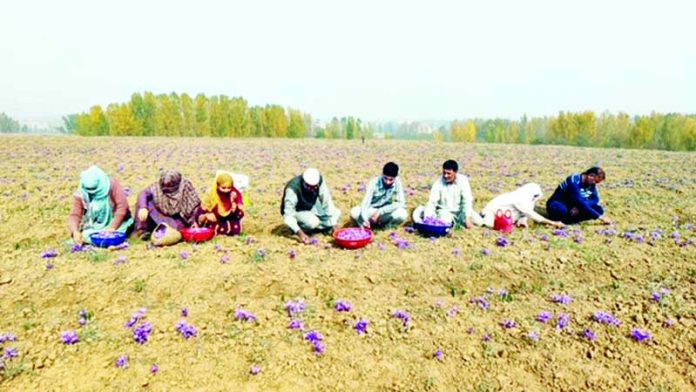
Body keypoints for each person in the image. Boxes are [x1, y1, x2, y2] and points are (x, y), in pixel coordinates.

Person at [67, 165, 134, 245]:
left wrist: (112, 228)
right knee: (86, 235)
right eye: (89, 190)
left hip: (117, 223)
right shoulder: (82, 192)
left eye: (94, 189)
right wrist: (75, 231)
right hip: (95, 225)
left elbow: (122, 207)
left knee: (116, 236)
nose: (92, 192)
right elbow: (75, 215)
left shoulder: (112, 185)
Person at [281, 168, 341, 244]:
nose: (313, 189)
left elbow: (327, 202)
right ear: (303, 182)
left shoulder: (319, 180)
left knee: (337, 213)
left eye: (315, 187)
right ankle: (295, 228)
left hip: (310, 205)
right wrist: (300, 233)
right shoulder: (293, 188)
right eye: (309, 187)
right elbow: (288, 214)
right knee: (312, 222)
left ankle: (321, 226)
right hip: (297, 210)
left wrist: (334, 224)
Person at [135, 169, 201, 239]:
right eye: (165, 188)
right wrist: (143, 207)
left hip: (178, 218)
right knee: (143, 202)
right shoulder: (156, 188)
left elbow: (195, 206)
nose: (167, 190)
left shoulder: (186, 187)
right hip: (160, 213)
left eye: (170, 188)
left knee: (178, 230)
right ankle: (142, 230)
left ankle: (167, 231)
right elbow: (143, 194)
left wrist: (194, 221)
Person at [413, 160, 478, 228]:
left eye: (448, 173)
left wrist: (467, 218)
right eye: (444, 173)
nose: (446, 176)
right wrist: (428, 220)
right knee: (445, 221)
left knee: (478, 222)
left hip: (460, 211)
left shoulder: (463, 180)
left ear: (455, 172)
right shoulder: (438, 183)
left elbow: (467, 200)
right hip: (445, 211)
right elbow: (432, 203)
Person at [480, 183, 564, 228]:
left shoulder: (526, 198)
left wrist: (523, 220)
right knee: (489, 225)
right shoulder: (519, 198)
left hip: (502, 217)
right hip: (490, 215)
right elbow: (530, 213)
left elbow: (525, 212)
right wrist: (552, 223)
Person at [546, 167, 612, 225]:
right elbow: (579, 200)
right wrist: (600, 218)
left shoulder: (591, 183)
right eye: (596, 181)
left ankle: (567, 220)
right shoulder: (573, 180)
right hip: (559, 203)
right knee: (560, 210)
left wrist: (579, 207)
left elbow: (595, 199)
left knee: (599, 210)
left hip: (573, 205)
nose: (595, 184)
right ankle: (564, 219)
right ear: (590, 175)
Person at [350, 162, 407, 229]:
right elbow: (365, 203)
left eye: (391, 179)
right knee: (355, 212)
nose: (387, 182)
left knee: (402, 214)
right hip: (371, 210)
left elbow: (401, 202)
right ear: (382, 174)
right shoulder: (374, 182)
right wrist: (365, 218)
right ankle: (367, 225)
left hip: (385, 211)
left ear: (395, 177)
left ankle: (386, 227)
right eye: (385, 178)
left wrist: (380, 211)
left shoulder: (397, 181)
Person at [198, 170, 244, 235]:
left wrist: (235, 207)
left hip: (227, 219)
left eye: (229, 188)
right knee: (211, 226)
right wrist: (206, 216)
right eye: (223, 188)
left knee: (234, 227)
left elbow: (239, 214)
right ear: (218, 185)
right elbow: (201, 212)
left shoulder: (234, 194)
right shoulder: (211, 195)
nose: (226, 190)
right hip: (214, 219)